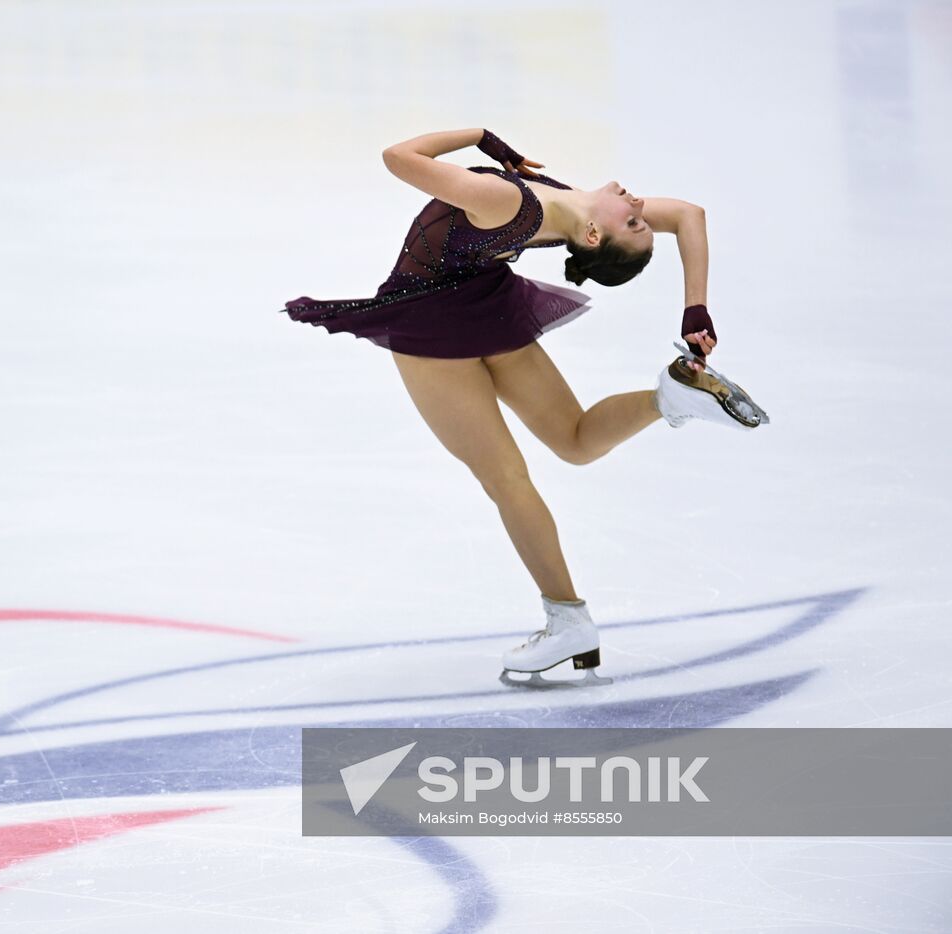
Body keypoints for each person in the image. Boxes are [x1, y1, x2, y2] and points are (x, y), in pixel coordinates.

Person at [279, 127, 767, 687]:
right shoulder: (569, 205)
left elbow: (397, 157)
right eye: (638, 219)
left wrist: (481, 138)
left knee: (506, 479)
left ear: (590, 233)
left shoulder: (506, 201)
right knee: (577, 441)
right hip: (487, 305)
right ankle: (669, 398)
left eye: (632, 221)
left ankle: (568, 621)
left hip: (430, 320)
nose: (637, 206)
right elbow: (688, 213)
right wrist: (695, 311)